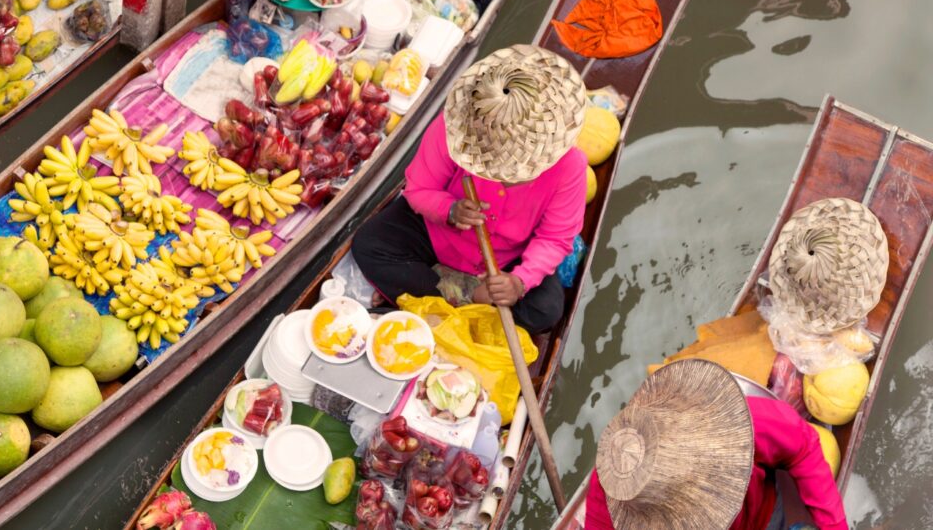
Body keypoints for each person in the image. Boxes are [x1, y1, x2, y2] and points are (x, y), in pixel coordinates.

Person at [351, 44, 587, 333]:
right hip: (440, 237)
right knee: (369, 244)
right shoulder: (455, 128)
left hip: (507, 259)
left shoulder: (571, 165)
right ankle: (469, 298)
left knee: (545, 311)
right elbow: (418, 190)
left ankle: (433, 298)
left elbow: (555, 237)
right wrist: (449, 210)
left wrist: (519, 281)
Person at [583, 359, 848, 530]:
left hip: (761, 514)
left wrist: (834, 526)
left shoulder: (736, 424)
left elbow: (803, 446)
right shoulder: (619, 481)